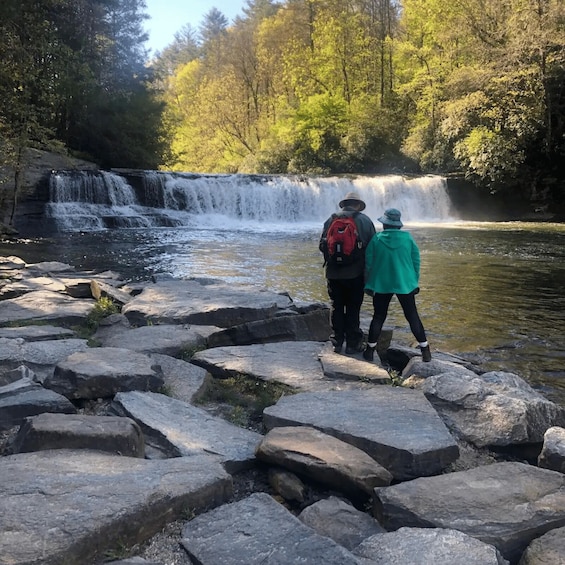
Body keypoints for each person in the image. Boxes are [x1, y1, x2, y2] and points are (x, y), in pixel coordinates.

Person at [363, 208, 431, 362]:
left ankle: (369, 350)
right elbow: (416, 261)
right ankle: (425, 350)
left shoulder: (377, 239)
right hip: (405, 283)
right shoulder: (408, 239)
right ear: (398, 225)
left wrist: (368, 283)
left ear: (385, 224)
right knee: (412, 315)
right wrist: (414, 281)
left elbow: (368, 263)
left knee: (379, 316)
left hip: (381, 283)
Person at [319, 192, 376, 353]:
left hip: (333, 273)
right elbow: (373, 248)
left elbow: (322, 245)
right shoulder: (365, 221)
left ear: (344, 204)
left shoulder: (330, 220)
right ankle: (352, 344)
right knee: (353, 307)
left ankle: (337, 341)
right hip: (356, 274)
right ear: (358, 205)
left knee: (336, 305)